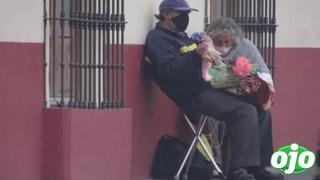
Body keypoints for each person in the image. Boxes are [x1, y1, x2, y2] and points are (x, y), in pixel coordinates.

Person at [144, 0, 284, 179]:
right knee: (244, 111)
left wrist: (230, 73)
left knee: (261, 108)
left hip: (209, 85)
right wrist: (196, 55)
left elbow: (205, 65)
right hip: (192, 95)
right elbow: (169, 73)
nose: (185, 17)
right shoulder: (158, 39)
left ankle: (260, 167)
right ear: (167, 14)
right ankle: (239, 171)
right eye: (181, 13)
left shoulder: (184, 37)